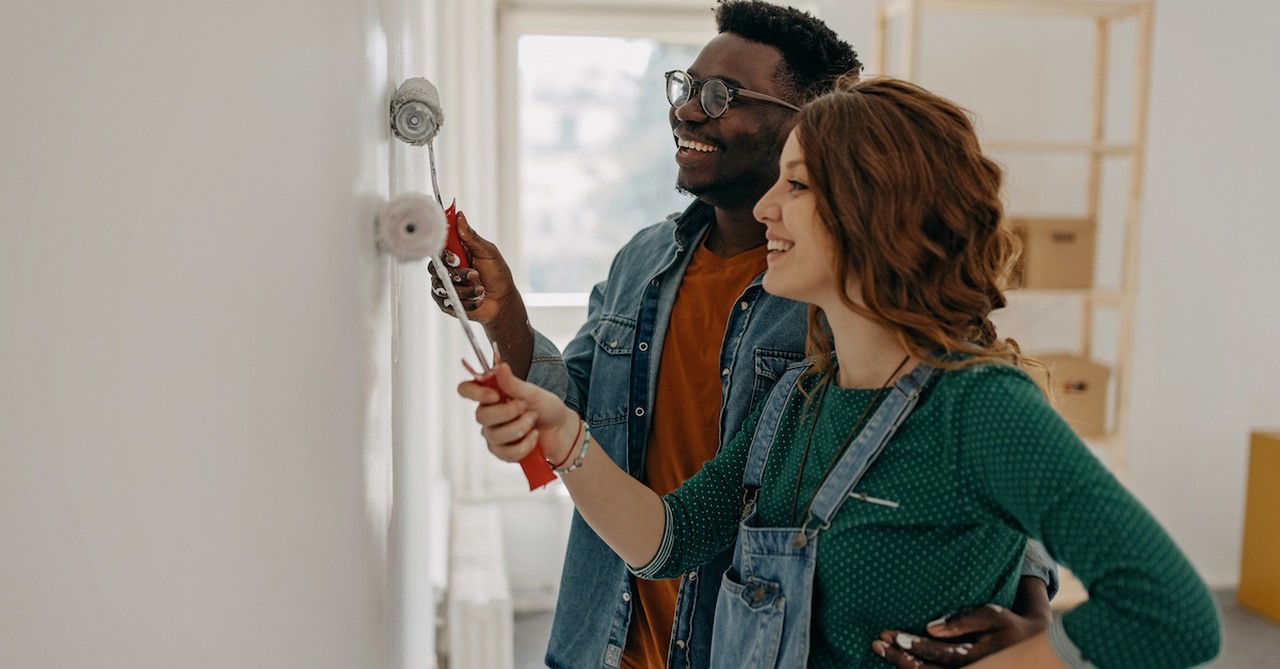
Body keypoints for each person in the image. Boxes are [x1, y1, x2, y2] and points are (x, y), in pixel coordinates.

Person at [459, 75, 1223, 668]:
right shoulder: (798, 398)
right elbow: (666, 539)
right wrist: (564, 438)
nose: (765, 209)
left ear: (871, 210)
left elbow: (1172, 612)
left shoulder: (979, 406)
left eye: (795, 185)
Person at [434, 3, 1056, 667]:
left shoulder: (833, 294)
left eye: (721, 95)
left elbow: (966, 438)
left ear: (808, 125)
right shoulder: (643, 262)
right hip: (610, 640)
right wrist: (507, 318)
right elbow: (590, 425)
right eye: (688, 86)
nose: (688, 110)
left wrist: (1032, 610)